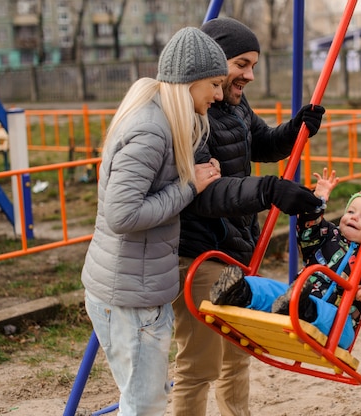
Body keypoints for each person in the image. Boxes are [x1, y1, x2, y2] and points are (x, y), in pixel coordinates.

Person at [171, 17, 326, 416]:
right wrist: (268, 189)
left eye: (253, 65)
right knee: (200, 363)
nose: (250, 75)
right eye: (241, 64)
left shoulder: (234, 106)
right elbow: (202, 197)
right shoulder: (190, 114)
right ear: (213, 60)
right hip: (198, 252)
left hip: (234, 247)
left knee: (237, 354)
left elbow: (260, 142)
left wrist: (296, 130)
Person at [80, 27, 228, 416]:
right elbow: (122, 214)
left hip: (137, 287)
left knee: (145, 398)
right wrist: (189, 187)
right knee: (144, 405)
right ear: (189, 82)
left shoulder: (161, 120)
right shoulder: (150, 128)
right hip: (129, 297)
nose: (218, 94)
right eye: (214, 84)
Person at [210, 168, 361, 350]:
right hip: (296, 299)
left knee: (331, 318)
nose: (354, 217)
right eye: (351, 211)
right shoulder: (328, 236)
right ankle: (240, 291)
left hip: (338, 325)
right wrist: (318, 201)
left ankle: (301, 308)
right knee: (272, 288)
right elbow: (308, 227)